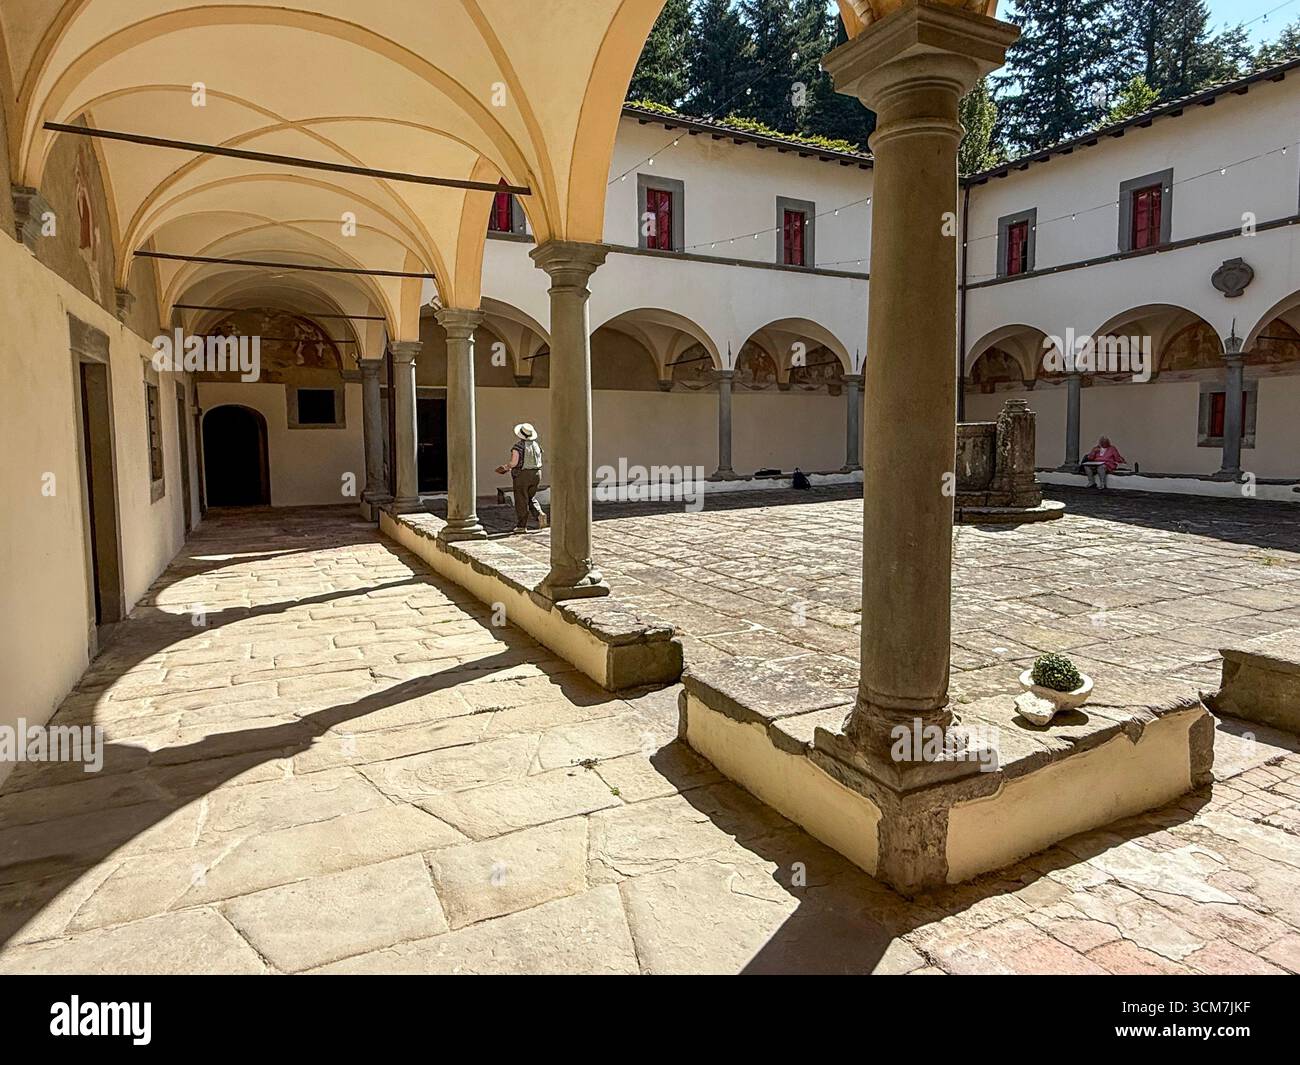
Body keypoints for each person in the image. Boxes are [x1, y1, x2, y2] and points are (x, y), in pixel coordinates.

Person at [495, 422, 547, 532]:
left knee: (521, 499)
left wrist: (504, 468)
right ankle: (539, 514)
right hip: (537, 474)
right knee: (530, 497)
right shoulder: (536, 445)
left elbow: (514, 463)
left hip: (523, 475)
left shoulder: (518, 447)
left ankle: (521, 526)